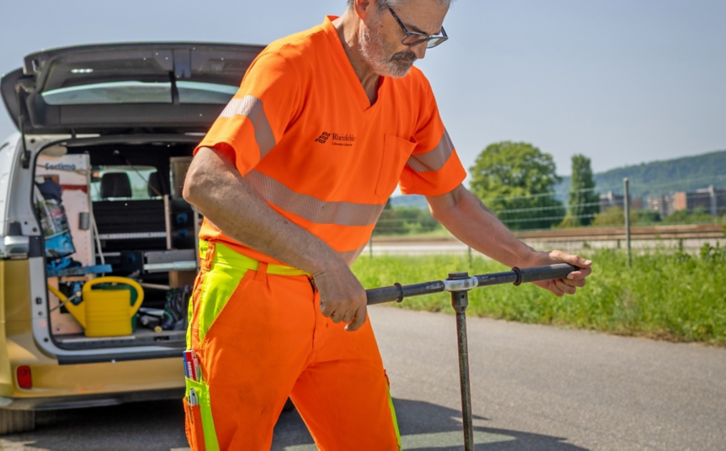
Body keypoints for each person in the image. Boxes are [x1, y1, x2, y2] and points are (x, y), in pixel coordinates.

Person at [181, 0, 593, 449]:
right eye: (411, 33)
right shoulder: (291, 65)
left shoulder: (412, 92)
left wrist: (529, 260)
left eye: (432, 37)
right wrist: (324, 263)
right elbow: (205, 180)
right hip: (250, 293)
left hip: (337, 301)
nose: (419, 53)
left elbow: (451, 199)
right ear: (364, 5)